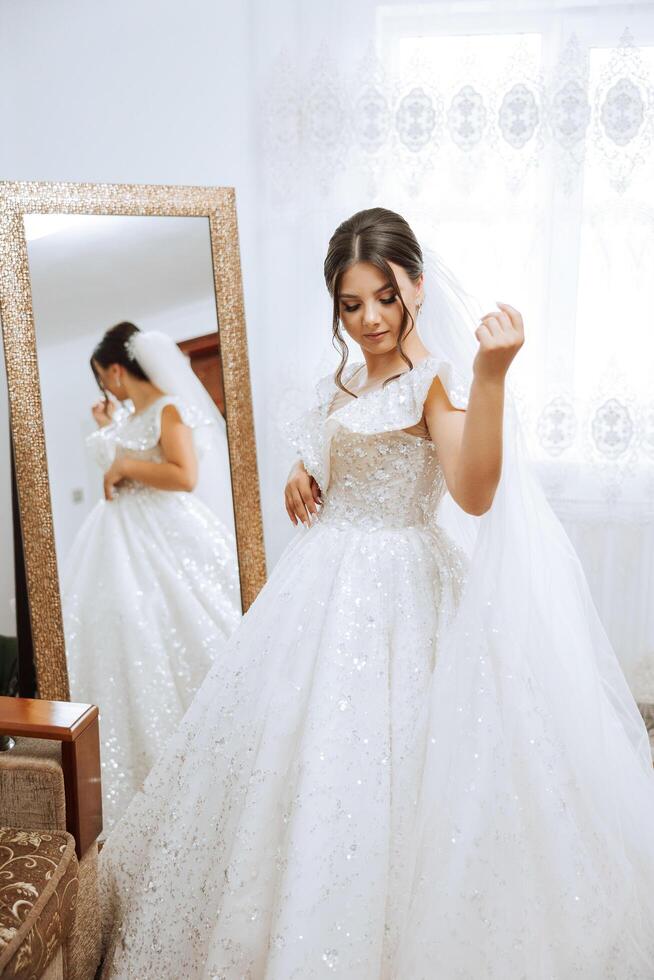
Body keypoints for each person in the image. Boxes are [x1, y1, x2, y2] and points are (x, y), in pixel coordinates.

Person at [97, 210, 654, 978]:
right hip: (321, 591)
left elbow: (474, 490)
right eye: (352, 304)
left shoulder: (432, 386)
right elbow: (340, 445)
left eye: (385, 299)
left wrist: (491, 375)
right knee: (297, 774)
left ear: (416, 289)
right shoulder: (344, 382)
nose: (370, 320)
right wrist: (309, 469)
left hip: (403, 591)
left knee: (412, 774)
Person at [62, 322, 241, 833]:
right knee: (120, 632)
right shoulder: (128, 415)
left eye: (103, 379)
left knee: (172, 623)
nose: (105, 389)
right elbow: (122, 452)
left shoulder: (167, 408)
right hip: (117, 538)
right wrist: (109, 427)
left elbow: (184, 475)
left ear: (116, 370)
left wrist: (125, 468)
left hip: (163, 534)